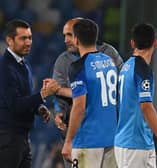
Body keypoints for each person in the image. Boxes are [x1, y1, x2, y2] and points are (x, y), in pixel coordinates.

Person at [0, 19, 58, 168]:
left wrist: (38, 108)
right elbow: (15, 105)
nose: (28, 42)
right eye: (23, 38)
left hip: (22, 138)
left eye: (30, 37)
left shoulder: (23, 64)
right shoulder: (5, 68)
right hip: (8, 137)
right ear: (9, 41)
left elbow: (25, 98)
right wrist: (43, 94)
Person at [61, 18, 118, 168]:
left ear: (77, 39)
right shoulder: (109, 61)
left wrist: (68, 141)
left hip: (88, 140)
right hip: (111, 138)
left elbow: (79, 106)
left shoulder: (78, 67)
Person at [114, 23, 157, 168]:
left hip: (141, 142)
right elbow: (146, 107)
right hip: (133, 144)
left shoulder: (126, 66)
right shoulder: (142, 70)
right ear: (155, 43)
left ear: (132, 43)